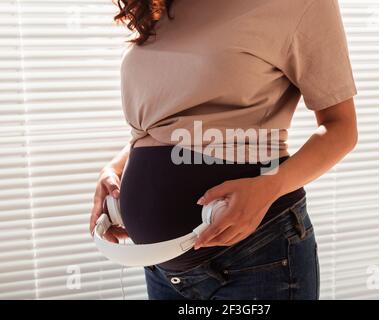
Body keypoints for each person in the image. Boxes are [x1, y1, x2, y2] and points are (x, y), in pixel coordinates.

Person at [90, 0, 358, 300]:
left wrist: (270, 187)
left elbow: (341, 129)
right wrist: (116, 166)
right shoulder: (163, 6)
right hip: (160, 270)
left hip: (254, 258)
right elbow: (163, 125)